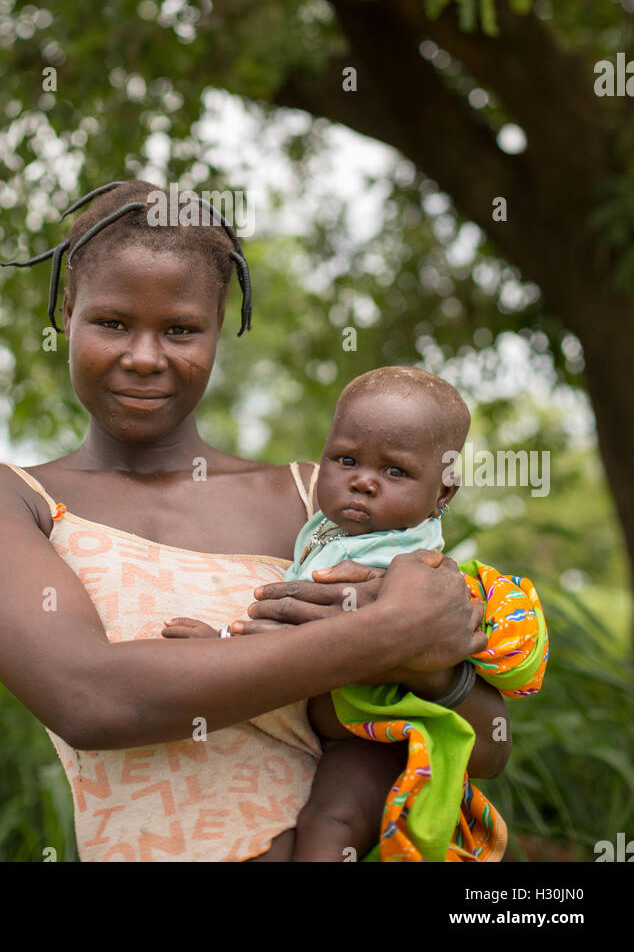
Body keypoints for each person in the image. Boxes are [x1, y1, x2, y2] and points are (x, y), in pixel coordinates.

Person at [0, 180, 497, 862]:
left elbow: (489, 744)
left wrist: (438, 674)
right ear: (67, 311)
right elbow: (88, 699)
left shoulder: (320, 501)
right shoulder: (1, 499)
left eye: (180, 329)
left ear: (219, 327)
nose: (144, 357)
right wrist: (390, 631)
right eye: (112, 323)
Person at [165, 365, 548, 861]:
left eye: (395, 471)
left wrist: (220, 640)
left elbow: (304, 631)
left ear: (443, 492)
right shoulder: (328, 529)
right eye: (346, 460)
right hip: (325, 724)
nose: (363, 482)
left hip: (377, 730)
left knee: (332, 825)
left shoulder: (406, 561)